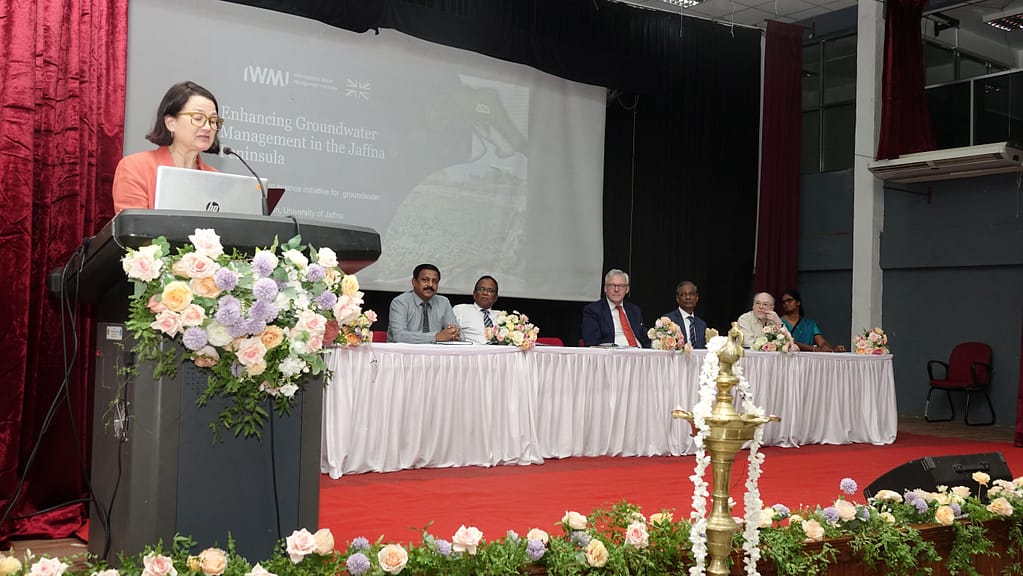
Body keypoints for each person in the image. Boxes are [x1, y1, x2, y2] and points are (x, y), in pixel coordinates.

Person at [112, 81, 223, 213]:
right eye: (198, 118)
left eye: (213, 121)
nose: (207, 127)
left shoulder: (217, 178)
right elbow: (136, 227)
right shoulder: (136, 167)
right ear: (171, 123)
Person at [387, 264, 461, 343]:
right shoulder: (400, 302)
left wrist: (454, 334)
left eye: (434, 281)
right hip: (404, 353)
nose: (430, 285)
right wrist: (436, 337)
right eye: (425, 280)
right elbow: (399, 336)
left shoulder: (443, 302)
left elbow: (458, 333)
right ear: (414, 282)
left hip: (435, 353)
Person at [581, 269, 650, 347]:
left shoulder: (634, 310)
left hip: (640, 353)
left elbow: (645, 338)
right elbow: (592, 340)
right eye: (612, 285)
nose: (616, 290)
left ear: (627, 289)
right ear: (605, 288)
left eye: (621, 286)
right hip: (612, 355)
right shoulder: (593, 310)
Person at [778, 289, 845, 352]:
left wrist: (833, 348)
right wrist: (814, 349)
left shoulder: (809, 323)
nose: (786, 304)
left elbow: (821, 342)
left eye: (789, 300)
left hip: (809, 360)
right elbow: (791, 341)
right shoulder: (780, 322)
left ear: (798, 302)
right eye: (784, 302)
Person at [453, 275, 502, 344]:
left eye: (490, 291)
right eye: (481, 289)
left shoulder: (502, 316)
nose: (485, 293)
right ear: (474, 293)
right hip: (470, 352)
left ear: (496, 297)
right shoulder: (460, 310)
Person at [662, 280, 708, 348]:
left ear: (697, 298)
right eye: (683, 294)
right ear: (677, 299)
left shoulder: (702, 325)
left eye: (691, 294)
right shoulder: (669, 320)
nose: (688, 297)